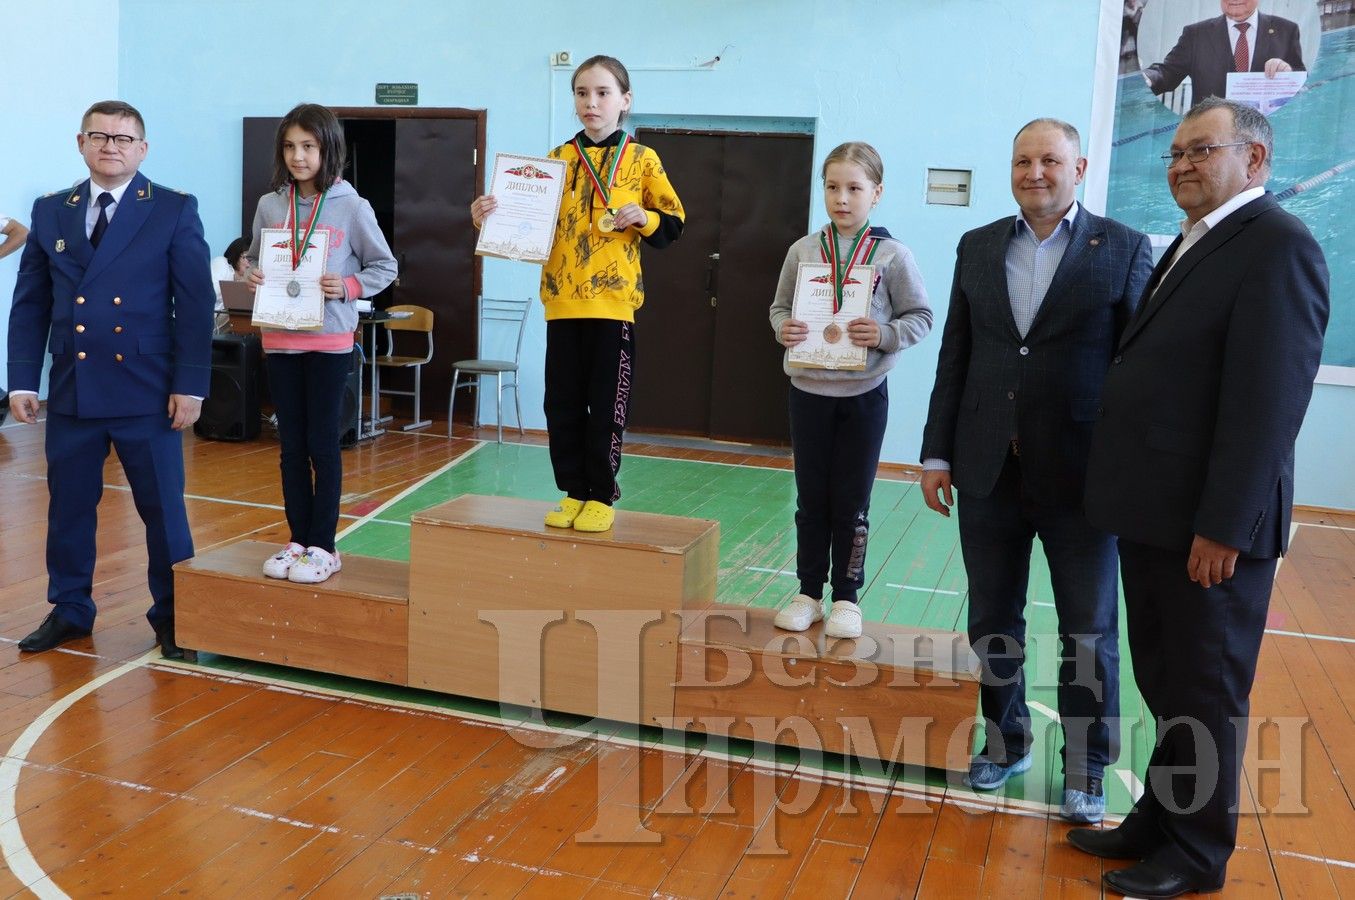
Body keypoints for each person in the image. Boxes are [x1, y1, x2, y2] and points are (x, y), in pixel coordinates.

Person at [1069, 97, 1329, 898]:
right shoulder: (1198, 241)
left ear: (1253, 161)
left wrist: (1223, 526)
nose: (1180, 164)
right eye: (1174, 152)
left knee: (1205, 691)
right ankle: (1161, 817)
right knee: (1171, 683)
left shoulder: (1276, 248)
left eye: (1200, 151)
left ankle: (1197, 852)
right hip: (1156, 517)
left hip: (1207, 531)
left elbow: (1266, 408)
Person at [918, 119, 1153, 823]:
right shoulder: (978, 245)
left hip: (1084, 479)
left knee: (1088, 629)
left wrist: (1137, 468)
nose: (1034, 172)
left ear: (1077, 166)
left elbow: (1139, 372)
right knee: (992, 621)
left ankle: (1083, 766)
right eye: (1022, 160)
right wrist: (936, 452)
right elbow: (955, 354)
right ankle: (1004, 739)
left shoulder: (1123, 248)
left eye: (1049, 160)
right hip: (988, 469)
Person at [6, 100, 214, 659]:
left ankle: (173, 615)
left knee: (163, 510)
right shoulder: (52, 211)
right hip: (73, 385)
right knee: (69, 506)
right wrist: (23, 379)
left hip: (147, 388)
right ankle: (70, 608)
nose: (111, 146)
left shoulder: (171, 208)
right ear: (81, 143)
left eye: (124, 139)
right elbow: (30, 302)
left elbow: (196, 303)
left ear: (142, 149)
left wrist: (191, 385)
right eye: (100, 136)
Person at [469, 55, 685, 534]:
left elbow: (673, 224)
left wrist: (642, 217)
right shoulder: (555, 161)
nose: (592, 102)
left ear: (625, 101)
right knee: (561, 403)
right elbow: (528, 228)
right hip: (561, 304)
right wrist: (489, 215)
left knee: (606, 403)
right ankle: (573, 491)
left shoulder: (643, 159)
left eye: (603, 93)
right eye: (582, 93)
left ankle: (602, 495)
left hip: (613, 307)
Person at [768, 142, 932, 641]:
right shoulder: (803, 251)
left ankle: (847, 597)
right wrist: (785, 330)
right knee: (810, 499)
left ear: (876, 193)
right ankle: (808, 593)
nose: (842, 198)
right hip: (808, 391)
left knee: (852, 502)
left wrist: (883, 335)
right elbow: (777, 310)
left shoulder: (892, 254)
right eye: (833, 187)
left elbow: (920, 317)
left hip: (863, 396)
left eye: (854, 188)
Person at [246, 103, 397, 584]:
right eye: (290, 146)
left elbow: (384, 267)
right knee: (289, 444)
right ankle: (297, 540)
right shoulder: (270, 204)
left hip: (329, 340)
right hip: (279, 339)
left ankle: (324, 546)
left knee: (322, 445)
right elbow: (250, 258)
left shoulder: (352, 206)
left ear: (328, 149)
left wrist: (348, 287)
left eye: (308, 146)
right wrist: (248, 272)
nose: (298, 156)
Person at [1143, 0, 1304, 108]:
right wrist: (1148, 78)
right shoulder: (1195, 34)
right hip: (1210, 132)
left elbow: (1302, 81)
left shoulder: (1287, 30)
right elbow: (1167, 73)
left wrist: (1287, 75)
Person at [210, 236, 251, 307]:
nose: (250, 263)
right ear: (236, 254)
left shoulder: (250, 277)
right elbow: (211, 293)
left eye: (254, 259)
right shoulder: (222, 263)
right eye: (247, 257)